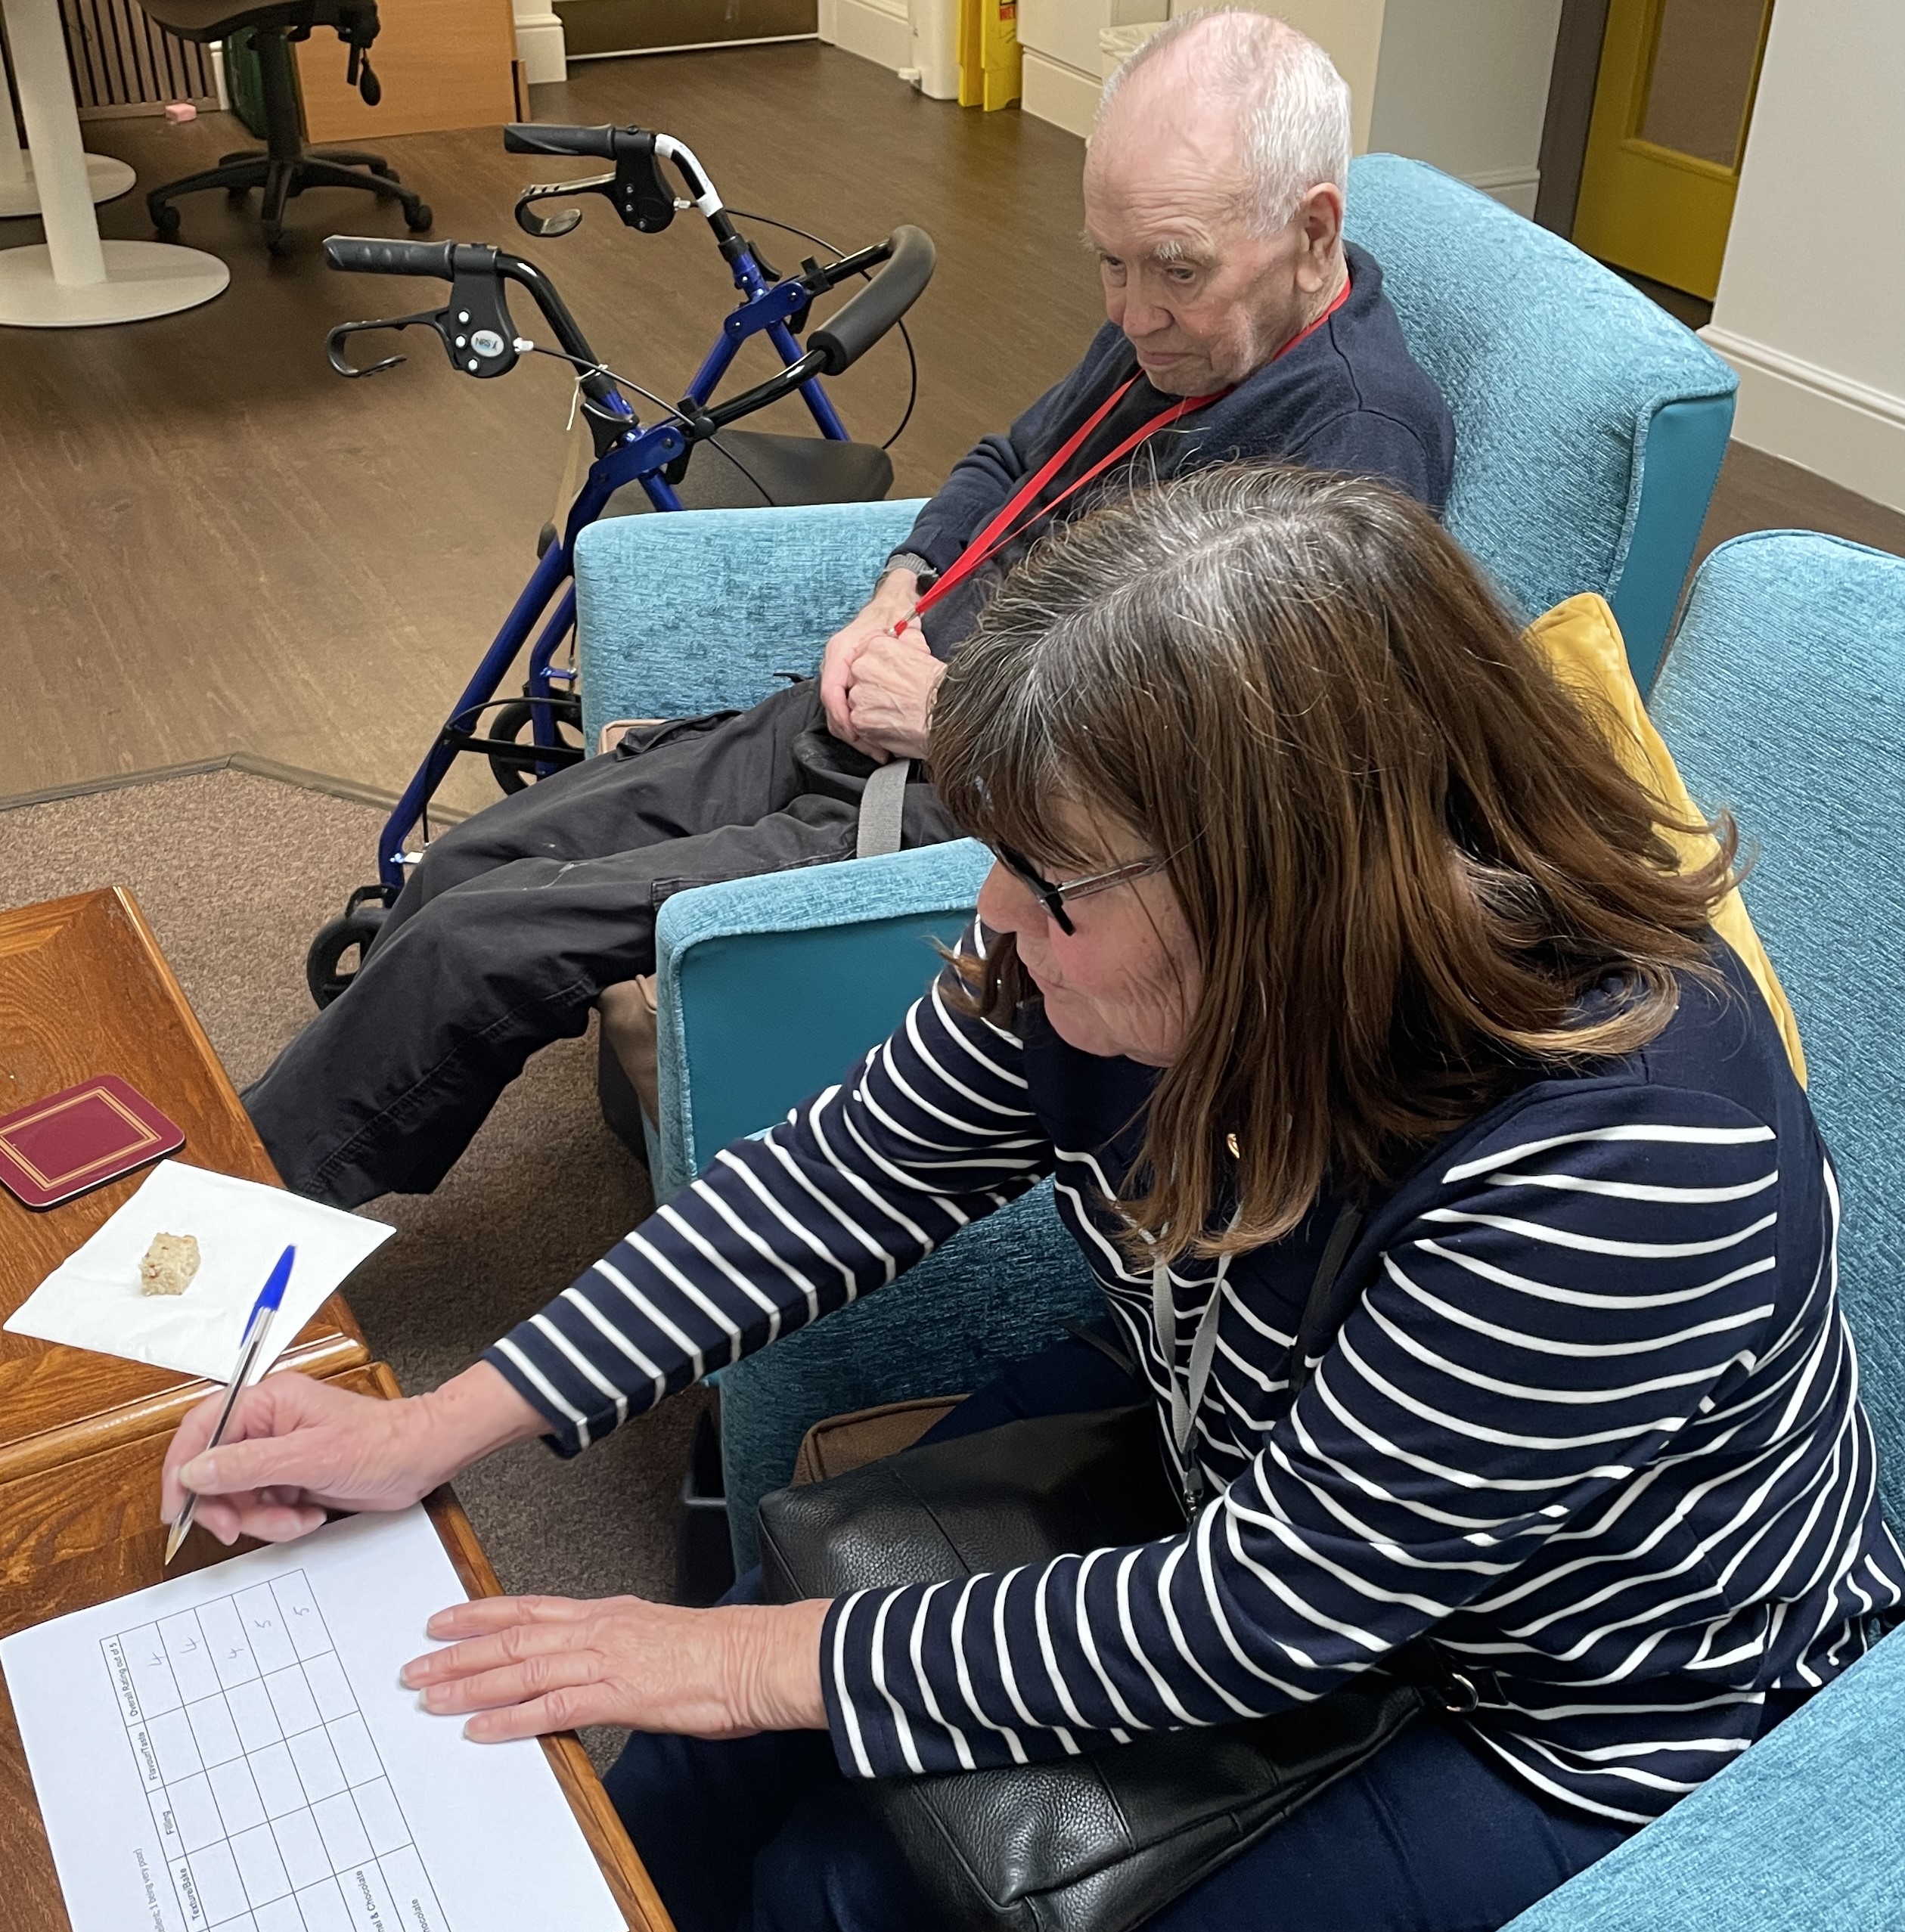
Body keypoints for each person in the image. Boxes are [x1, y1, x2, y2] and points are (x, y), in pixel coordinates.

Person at [169, 464, 1900, 1932]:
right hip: (1244, 1436)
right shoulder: (1104, 948)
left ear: (1285, 887)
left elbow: (1271, 1613)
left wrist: (745, 1671)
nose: (994, 915)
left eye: (1051, 875)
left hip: (1542, 1698)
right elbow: (830, 1184)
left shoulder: (1627, 1148)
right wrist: (436, 1426)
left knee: (873, 1880)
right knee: (759, 1653)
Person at [245, 6, 1455, 1210]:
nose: (1132, 311)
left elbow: (1251, 778)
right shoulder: (1183, 331)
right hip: (864, 721)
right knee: (475, 857)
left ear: (1313, 231)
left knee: (481, 943)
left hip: (959, 808)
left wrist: (958, 715)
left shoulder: (1349, 447)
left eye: (1174, 269)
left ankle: (219, 1230)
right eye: (1110, 261)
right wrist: (898, 592)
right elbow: (1002, 458)